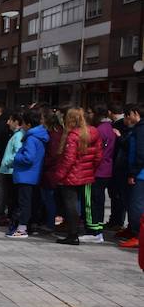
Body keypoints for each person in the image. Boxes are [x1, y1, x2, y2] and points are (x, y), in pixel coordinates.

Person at [51, 107, 102, 246]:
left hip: (71, 175)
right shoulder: (94, 132)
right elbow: (98, 156)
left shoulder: (73, 135)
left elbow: (68, 159)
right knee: (85, 204)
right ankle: (81, 230)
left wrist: (59, 176)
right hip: (86, 173)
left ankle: (72, 234)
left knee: (70, 205)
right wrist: (91, 169)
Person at [8, 109, 49, 239]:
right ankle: (31, 225)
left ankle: (22, 228)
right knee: (31, 202)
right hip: (33, 175)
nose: (22, 126)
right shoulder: (40, 136)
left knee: (24, 203)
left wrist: (16, 157)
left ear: (29, 125)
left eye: (23, 123)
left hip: (26, 175)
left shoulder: (31, 138)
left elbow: (28, 158)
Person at [86, 105, 116, 243]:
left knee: (92, 201)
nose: (89, 115)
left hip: (97, 171)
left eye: (90, 112)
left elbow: (96, 153)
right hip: (106, 169)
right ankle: (97, 229)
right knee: (99, 201)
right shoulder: (110, 129)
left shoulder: (99, 130)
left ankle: (94, 231)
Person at [122, 106, 144, 248]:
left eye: (128, 115)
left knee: (136, 204)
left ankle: (138, 235)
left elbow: (140, 152)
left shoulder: (140, 129)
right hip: (139, 171)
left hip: (140, 173)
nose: (127, 118)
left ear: (136, 113)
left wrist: (133, 173)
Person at [0, 112, 24, 229]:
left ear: (16, 122)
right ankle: (10, 217)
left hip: (11, 171)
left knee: (12, 197)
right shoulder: (15, 135)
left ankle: (12, 219)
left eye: (10, 120)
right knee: (10, 197)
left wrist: (8, 163)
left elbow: (18, 152)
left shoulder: (18, 136)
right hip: (8, 170)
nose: (8, 123)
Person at [109, 103, 132, 232]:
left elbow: (128, 146)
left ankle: (120, 222)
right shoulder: (120, 125)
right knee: (115, 195)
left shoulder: (132, 128)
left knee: (122, 197)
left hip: (123, 167)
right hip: (117, 165)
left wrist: (119, 137)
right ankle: (115, 220)